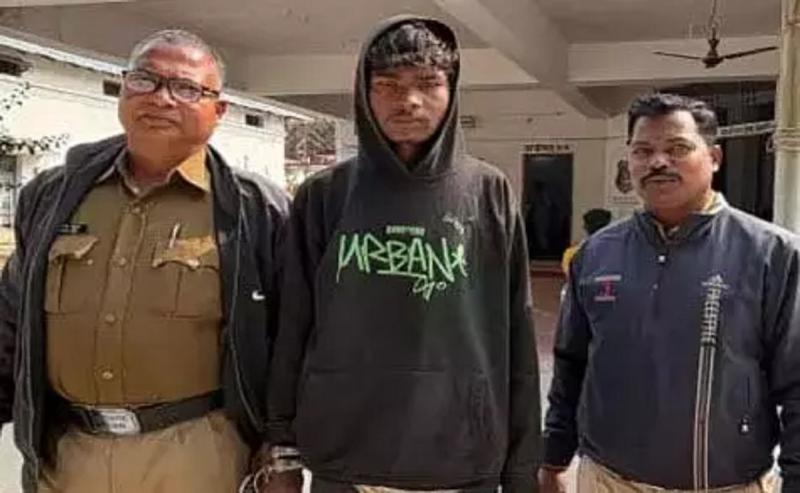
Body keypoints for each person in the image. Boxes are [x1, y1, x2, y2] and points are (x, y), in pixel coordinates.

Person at [0, 29, 288, 493]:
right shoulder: (54, 195)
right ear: (122, 87)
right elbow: (13, 317)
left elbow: (287, 337)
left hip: (196, 452)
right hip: (70, 451)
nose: (161, 98)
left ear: (218, 111)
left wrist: (282, 449)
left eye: (186, 88)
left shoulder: (253, 208)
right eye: (145, 80)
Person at [265, 15, 541, 493]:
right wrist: (282, 449)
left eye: (428, 84)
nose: (408, 100)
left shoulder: (489, 191)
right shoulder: (326, 195)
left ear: (451, 91)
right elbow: (292, 327)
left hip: (462, 460)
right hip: (346, 459)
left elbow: (517, 332)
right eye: (388, 85)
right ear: (364, 92)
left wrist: (522, 469)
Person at [539, 93, 799, 492]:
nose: (658, 162)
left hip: (728, 484)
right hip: (608, 481)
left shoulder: (771, 255)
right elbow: (571, 365)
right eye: (643, 151)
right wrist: (554, 457)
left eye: (677, 149)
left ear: (714, 157)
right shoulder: (596, 254)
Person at [561, 208, 612, 277]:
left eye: (585, 224)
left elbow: (571, 275)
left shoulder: (573, 253)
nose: (584, 227)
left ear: (589, 226)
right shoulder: (617, 249)